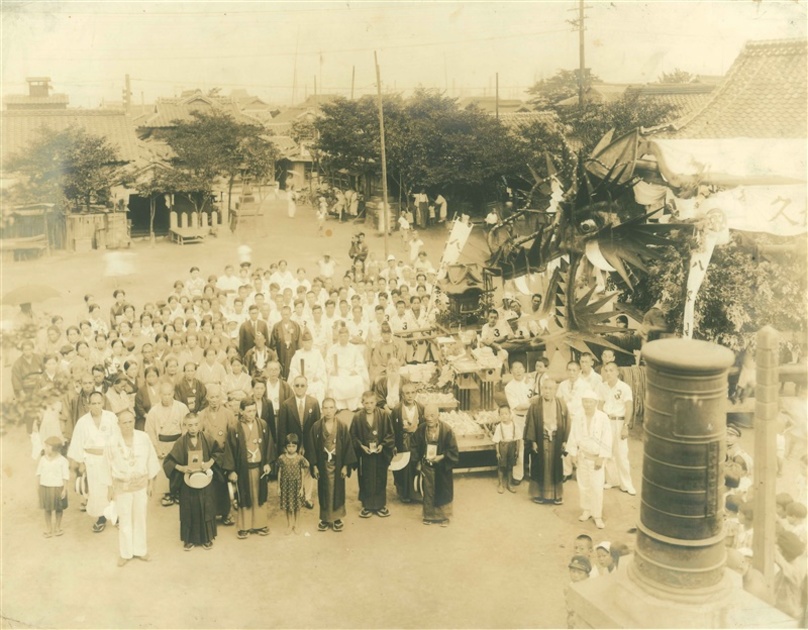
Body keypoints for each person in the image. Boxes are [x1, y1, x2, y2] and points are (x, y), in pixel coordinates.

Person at [106, 410, 160, 566]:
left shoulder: (143, 438)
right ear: (118, 424)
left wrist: (151, 483)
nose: (128, 425)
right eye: (124, 422)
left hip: (140, 484)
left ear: (134, 421)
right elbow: (107, 465)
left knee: (140, 517)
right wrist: (110, 488)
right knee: (124, 518)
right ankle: (125, 552)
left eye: (130, 421)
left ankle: (141, 550)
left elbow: (151, 461)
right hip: (122, 485)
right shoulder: (112, 441)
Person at [163, 412, 221, 551]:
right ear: (185, 426)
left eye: (196, 424)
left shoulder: (207, 439)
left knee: (206, 508)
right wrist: (182, 468)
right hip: (188, 483)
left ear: (200, 424)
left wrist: (209, 463)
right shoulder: (181, 442)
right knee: (189, 509)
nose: (193, 428)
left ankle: (207, 538)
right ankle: (189, 540)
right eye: (190, 425)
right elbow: (168, 462)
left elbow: (218, 453)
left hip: (205, 482)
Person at [67, 391, 119, 533]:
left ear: (103, 403)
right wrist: (81, 463)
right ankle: (101, 518)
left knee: (113, 488)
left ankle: (117, 516)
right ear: (88, 404)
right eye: (93, 403)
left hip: (109, 459)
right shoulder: (83, 422)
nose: (96, 406)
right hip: (92, 462)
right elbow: (77, 444)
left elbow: (118, 439)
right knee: (97, 491)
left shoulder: (111, 418)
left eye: (99, 403)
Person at [223, 398, 274, 539]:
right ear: (241, 411)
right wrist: (232, 470)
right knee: (244, 496)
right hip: (243, 469)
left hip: (259, 467)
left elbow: (269, 444)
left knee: (259, 496)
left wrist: (268, 463)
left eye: (254, 410)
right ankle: (244, 526)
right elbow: (230, 450)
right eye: (249, 411)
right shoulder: (235, 428)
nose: (252, 413)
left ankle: (260, 524)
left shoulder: (262, 424)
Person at [306, 398, 357, 532]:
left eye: (331, 408)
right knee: (324, 491)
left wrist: (346, 466)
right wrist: (314, 466)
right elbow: (311, 447)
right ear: (322, 410)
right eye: (325, 408)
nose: (328, 411)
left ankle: (337, 518)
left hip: (338, 463)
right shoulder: (316, 426)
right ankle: (324, 518)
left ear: (335, 409)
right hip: (323, 465)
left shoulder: (341, 426)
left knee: (338, 490)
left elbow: (347, 446)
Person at [566, 388, 613, 529]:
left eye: (590, 402)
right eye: (585, 402)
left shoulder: (603, 417)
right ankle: (586, 510)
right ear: (582, 402)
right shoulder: (578, 417)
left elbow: (607, 437)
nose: (587, 405)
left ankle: (597, 515)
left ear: (596, 403)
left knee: (597, 487)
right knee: (584, 485)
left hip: (596, 458)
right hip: (582, 456)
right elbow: (573, 436)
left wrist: (602, 457)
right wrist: (573, 454)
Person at [412, 404, 459, 526]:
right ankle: (429, 516)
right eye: (427, 415)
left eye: (432, 415)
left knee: (443, 490)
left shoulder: (446, 430)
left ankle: (444, 517)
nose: (429, 418)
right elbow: (414, 446)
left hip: (442, 467)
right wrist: (417, 462)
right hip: (427, 466)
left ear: (438, 415)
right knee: (428, 491)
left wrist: (442, 457)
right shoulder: (421, 429)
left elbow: (453, 450)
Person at [277, 375, 320, 509]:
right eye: (297, 385)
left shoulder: (313, 403)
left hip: (309, 443)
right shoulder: (286, 404)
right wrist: (285, 447)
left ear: (307, 387)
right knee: (294, 470)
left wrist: (314, 446)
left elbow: (317, 425)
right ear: (293, 387)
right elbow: (282, 428)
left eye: (302, 385)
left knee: (307, 469)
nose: (300, 388)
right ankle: (295, 497)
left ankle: (307, 497)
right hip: (292, 445)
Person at [350, 391, 395, 518]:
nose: (369, 405)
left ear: (376, 403)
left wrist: (383, 445)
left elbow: (390, 434)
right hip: (365, 455)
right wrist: (361, 446)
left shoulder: (384, 415)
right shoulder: (358, 417)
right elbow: (352, 435)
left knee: (380, 478)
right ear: (362, 403)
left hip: (380, 454)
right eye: (366, 403)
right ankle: (367, 506)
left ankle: (380, 505)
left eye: (371, 403)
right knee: (366, 479)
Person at [145, 382, 190, 507]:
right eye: (164, 394)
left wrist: (182, 444)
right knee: (164, 468)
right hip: (162, 443)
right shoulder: (153, 411)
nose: (166, 397)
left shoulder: (181, 407)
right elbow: (150, 432)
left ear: (173, 393)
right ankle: (168, 494)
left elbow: (186, 426)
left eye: (169, 394)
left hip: (178, 442)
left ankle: (179, 492)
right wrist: (156, 448)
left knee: (180, 466)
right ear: (160, 395)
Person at [524, 379, 569, 505]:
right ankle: (539, 494)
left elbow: (567, 422)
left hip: (557, 439)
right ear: (542, 389)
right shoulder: (535, 404)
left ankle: (557, 495)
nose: (547, 391)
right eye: (545, 388)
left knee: (556, 466)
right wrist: (533, 441)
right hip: (541, 438)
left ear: (555, 390)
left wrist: (565, 440)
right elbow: (531, 423)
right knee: (540, 465)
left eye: (551, 388)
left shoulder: (561, 403)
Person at [198, 384, 236, 526]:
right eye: (211, 397)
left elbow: (233, 437)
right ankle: (211, 514)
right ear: (207, 398)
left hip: (224, 455)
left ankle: (226, 514)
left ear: (221, 398)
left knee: (224, 486)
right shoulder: (202, 415)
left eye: (217, 397)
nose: (214, 400)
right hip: (208, 458)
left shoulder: (228, 414)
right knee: (209, 487)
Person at [597, 362, 636, 496]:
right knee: (607, 452)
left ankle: (627, 484)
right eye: (606, 370)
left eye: (611, 370)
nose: (608, 373)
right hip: (606, 421)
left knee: (622, 455)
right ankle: (612, 480)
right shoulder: (602, 387)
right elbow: (600, 405)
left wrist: (625, 426)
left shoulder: (624, 387)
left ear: (617, 372)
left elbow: (629, 407)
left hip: (619, 422)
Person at [389, 382, 424, 504]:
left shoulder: (420, 408)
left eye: (413, 393)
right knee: (402, 468)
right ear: (402, 395)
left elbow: (423, 427)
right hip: (402, 442)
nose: (410, 396)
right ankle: (403, 492)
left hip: (416, 443)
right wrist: (393, 444)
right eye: (407, 393)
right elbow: (392, 428)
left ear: (416, 394)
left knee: (415, 465)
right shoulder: (397, 410)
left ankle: (415, 492)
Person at [327, 325, 369, 411]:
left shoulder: (354, 348)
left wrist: (355, 370)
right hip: (338, 373)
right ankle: (339, 406)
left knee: (358, 381)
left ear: (348, 337)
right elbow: (328, 362)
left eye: (345, 336)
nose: (343, 338)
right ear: (338, 337)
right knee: (334, 382)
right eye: (341, 336)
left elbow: (360, 362)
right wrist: (332, 370)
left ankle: (354, 406)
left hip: (350, 372)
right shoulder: (333, 349)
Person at [504, 361, 531, 483]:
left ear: (524, 369)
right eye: (515, 368)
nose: (518, 371)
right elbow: (517, 407)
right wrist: (533, 403)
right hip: (518, 418)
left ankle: (533, 473)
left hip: (532, 417)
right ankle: (517, 475)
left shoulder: (531, 381)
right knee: (519, 447)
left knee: (534, 445)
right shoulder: (509, 387)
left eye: (520, 368)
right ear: (511, 371)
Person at [37, 436, 69, 538]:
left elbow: (65, 476)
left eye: (48, 447)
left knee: (59, 508)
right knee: (47, 509)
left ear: (55, 448)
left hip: (58, 488)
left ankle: (58, 527)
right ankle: (49, 528)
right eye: (45, 446)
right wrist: (38, 487)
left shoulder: (62, 461)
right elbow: (39, 474)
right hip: (45, 487)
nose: (45, 448)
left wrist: (64, 489)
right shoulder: (43, 459)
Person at [277, 434, 308, 534]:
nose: (291, 448)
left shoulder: (300, 458)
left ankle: (296, 525)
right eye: (289, 446)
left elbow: (303, 473)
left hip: (296, 485)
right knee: (287, 506)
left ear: (297, 446)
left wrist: (301, 488)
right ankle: (289, 524)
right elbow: (279, 472)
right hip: (285, 486)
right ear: (285, 447)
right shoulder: (281, 458)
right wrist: (278, 487)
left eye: (293, 446)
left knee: (297, 507)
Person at [288, 331, 328, 403]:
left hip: (313, 379)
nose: (307, 344)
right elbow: (293, 367)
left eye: (309, 342)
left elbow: (321, 366)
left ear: (312, 342)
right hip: (301, 379)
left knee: (319, 388)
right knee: (298, 388)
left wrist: (317, 376)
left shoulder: (317, 353)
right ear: (302, 343)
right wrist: (298, 377)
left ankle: (317, 409)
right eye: (305, 342)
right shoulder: (298, 353)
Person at [492, 405, 520, 494]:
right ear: (499, 416)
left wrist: (517, 450)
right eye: (502, 414)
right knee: (501, 466)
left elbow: (518, 439)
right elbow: (496, 441)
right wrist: (498, 452)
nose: (504, 416)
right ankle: (500, 484)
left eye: (506, 414)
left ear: (510, 414)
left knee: (510, 466)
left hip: (512, 446)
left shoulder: (514, 425)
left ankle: (509, 484)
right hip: (503, 447)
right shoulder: (499, 427)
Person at [270, 305, 301, 380]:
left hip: (293, 353)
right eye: (283, 314)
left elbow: (299, 343)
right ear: (281, 315)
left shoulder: (295, 325)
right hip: (281, 355)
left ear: (290, 314)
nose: (285, 316)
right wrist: (275, 357)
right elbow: (272, 344)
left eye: (287, 314)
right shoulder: (276, 326)